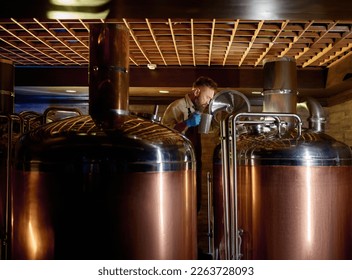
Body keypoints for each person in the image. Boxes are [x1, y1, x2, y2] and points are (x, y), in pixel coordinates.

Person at [161, 76, 218, 212]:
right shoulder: (177, 107)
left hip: (194, 160)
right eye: (208, 97)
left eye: (211, 98)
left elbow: (210, 130)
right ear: (197, 92)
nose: (208, 101)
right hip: (177, 163)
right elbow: (164, 136)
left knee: (193, 202)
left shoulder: (199, 109)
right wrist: (186, 123)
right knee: (179, 203)